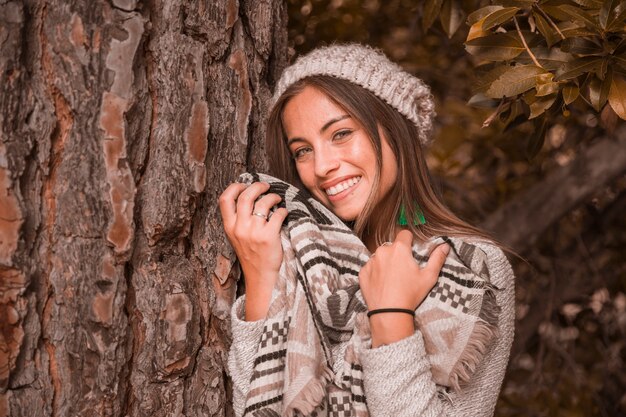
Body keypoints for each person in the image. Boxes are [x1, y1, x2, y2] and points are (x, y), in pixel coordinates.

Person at [219, 44, 515, 417]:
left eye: (341, 133)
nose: (322, 166)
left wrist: (390, 312)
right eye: (302, 151)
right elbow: (257, 405)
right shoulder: (306, 264)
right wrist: (261, 279)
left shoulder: (471, 269)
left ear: (394, 129)